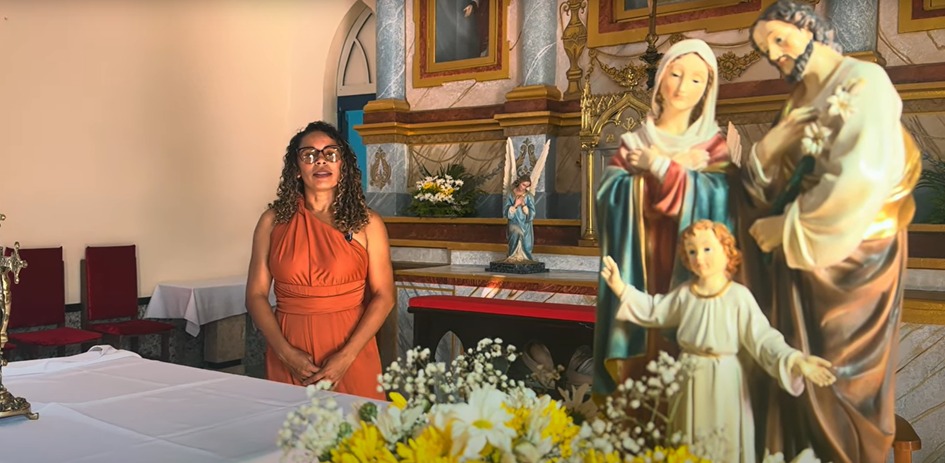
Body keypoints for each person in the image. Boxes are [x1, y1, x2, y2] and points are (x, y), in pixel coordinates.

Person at [736, 1, 922, 461]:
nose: (774, 54)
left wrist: (788, 230)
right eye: (764, 49)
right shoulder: (798, 102)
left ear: (810, 28)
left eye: (779, 39)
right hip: (797, 271)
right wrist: (767, 151)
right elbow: (767, 185)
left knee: (844, 379)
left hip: (856, 261)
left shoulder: (864, 81)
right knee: (798, 381)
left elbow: (862, 177)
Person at [600, 220, 836, 463]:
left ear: (726, 250)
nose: (699, 258)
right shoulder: (685, 294)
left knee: (724, 441)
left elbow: (763, 338)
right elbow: (654, 309)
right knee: (687, 440)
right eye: (692, 251)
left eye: (707, 249)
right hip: (689, 376)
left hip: (725, 379)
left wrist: (795, 360)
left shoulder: (738, 296)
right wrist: (621, 288)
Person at [593, 38, 738, 396]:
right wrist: (664, 172)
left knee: (687, 379)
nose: (683, 86)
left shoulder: (712, 147)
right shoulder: (635, 142)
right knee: (641, 381)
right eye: (675, 74)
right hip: (640, 264)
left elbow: (726, 206)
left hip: (688, 267)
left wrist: (661, 168)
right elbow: (606, 198)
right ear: (660, 79)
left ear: (707, 90)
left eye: (696, 79)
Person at [246, 121, 394, 399]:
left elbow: (384, 296)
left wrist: (346, 357)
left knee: (357, 424)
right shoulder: (272, 222)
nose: (321, 161)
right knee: (289, 424)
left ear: (342, 165)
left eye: (330, 153)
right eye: (309, 155)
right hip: (288, 348)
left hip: (351, 350)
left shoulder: (368, 223)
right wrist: (285, 353)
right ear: (296, 168)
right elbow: (255, 295)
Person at [505, 176, 536, 261]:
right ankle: (513, 257)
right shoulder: (510, 194)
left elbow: (532, 212)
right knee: (514, 239)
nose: (524, 187)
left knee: (526, 242)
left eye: (527, 186)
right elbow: (506, 211)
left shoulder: (529, 196)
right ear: (519, 182)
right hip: (514, 222)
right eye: (523, 185)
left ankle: (525, 259)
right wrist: (515, 205)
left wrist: (523, 205)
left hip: (525, 223)